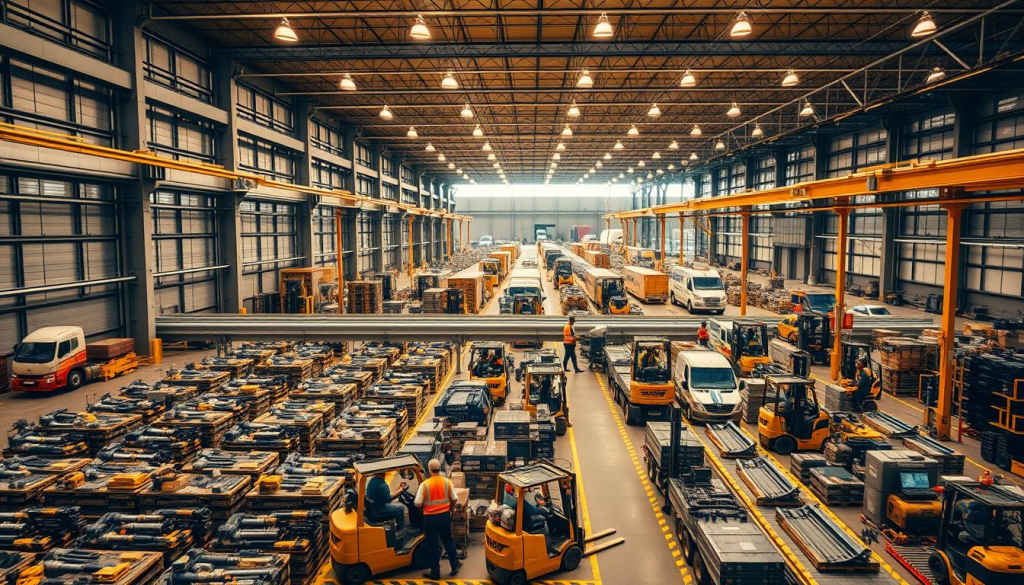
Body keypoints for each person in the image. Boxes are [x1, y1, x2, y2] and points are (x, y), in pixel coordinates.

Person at [415, 459, 461, 579]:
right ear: (439, 468)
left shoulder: (424, 485)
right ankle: (455, 565)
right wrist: (450, 509)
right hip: (444, 517)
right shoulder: (447, 482)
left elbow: (417, 504)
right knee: (448, 540)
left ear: (429, 469)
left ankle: (435, 572)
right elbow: (455, 499)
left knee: (432, 545)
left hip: (430, 519)